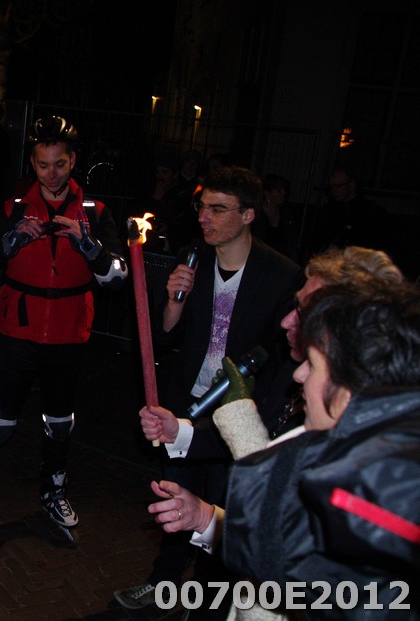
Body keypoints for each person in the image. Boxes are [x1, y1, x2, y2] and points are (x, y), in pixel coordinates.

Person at [147, 280, 420, 617]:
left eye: (315, 364)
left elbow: (295, 558)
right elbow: (282, 547)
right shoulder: (364, 451)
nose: (301, 374)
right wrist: (206, 518)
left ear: (351, 382)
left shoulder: (375, 495)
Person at [115, 166, 302, 611]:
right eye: (202, 207)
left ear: (249, 215)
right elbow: (165, 337)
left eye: (218, 209)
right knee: (176, 502)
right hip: (186, 408)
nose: (204, 217)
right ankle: (163, 584)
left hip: (239, 416)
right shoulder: (193, 258)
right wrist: (173, 302)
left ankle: (208, 600)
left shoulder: (281, 275)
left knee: (222, 507)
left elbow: (281, 357)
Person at [0, 115, 129, 537]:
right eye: (43, 165)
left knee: (60, 423)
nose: (52, 174)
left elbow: (118, 278)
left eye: (60, 164)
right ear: (32, 164)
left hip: (69, 336)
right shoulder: (13, 208)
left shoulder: (95, 213)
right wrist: (10, 241)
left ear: (73, 162)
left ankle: (54, 490)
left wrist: (88, 246)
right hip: (16, 334)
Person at [139, 246, 405, 461]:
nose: (286, 321)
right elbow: (263, 451)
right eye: (295, 305)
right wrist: (179, 432)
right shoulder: (291, 371)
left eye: (304, 312)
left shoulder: (372, 438)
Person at [306, 167, 388, 259]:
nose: (334, 190)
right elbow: (315, 238)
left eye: (338, 186)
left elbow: (374, 242)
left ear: (352, 185)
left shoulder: (370, 212)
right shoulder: (328, 211)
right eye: (331, 187)